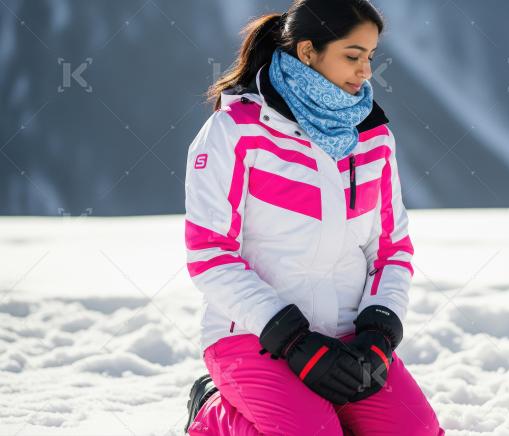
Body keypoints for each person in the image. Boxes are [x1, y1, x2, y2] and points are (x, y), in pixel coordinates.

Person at [181, 1, 444, 434]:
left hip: (349, 338)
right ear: (307, 51)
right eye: (352, 56)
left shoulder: (372, 136)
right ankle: (213, 411)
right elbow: (211, 255)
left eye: (370, 58)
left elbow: (391, 250)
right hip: (254, 338)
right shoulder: (238, 130)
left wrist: (378, 334)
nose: (365, 72)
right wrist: (293, 341)